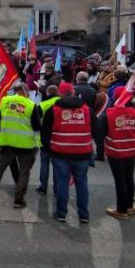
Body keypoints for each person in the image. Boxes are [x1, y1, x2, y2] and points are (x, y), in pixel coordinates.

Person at [41, 83, 95, 223]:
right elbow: (95, 130)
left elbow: (45, 133)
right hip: (82, 152)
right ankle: (83, 215)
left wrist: (49, 149)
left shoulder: (53, 110)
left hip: (61, 152)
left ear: (60, 93)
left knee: (62, 183)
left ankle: (61, 213)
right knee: (82, 183)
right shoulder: (88, 110)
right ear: (74, 93)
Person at [0, 82, 41, 209]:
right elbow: (37, 126)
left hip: (7, 141)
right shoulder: (31, 105)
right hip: (26, 144)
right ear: (25, 91)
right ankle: (18, 199)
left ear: (15, 91)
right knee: (24, 172)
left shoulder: (4, 101)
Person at [101, 87, 135, 219]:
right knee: (129, 178)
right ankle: (130, 205)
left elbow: (100, 132)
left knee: (120, 180)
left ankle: (121, 209)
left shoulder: (109, 113)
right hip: (131, 150)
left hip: (115, 151)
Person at [36, 84, 61, 196]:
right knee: (57, 165)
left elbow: (37, 122)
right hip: (60, 138)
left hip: (45, 137)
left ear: (47, 93)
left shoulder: (42, 105)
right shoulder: (63, 103)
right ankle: (57, 189)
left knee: (44, 163)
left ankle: (43, 187)